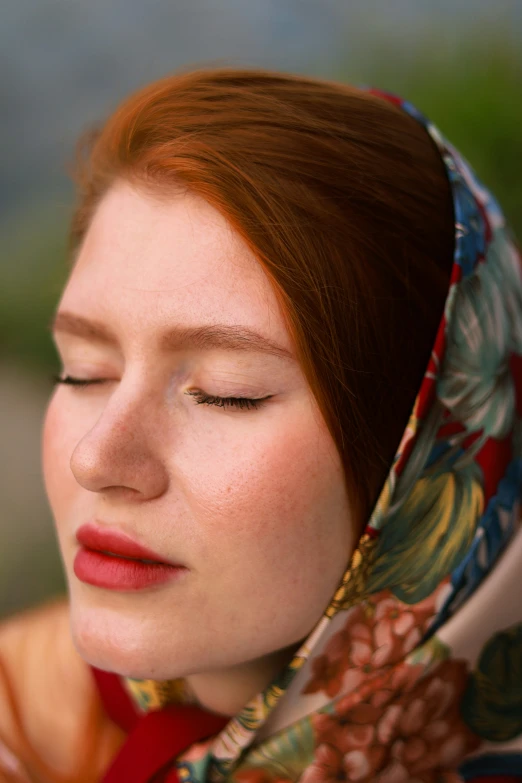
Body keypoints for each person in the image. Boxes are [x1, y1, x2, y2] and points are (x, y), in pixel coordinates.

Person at [0, 67, 520, 783]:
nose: (98, 457)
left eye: (225, 393)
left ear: (430, 447)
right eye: (85, 370)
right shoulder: (20, 716)